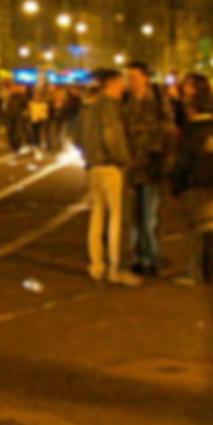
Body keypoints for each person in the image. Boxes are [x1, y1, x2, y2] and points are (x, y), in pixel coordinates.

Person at [77, 70, 138, 286]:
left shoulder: (88, 106)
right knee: (116, 219)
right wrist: (124, 159)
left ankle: (96, 265)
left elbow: (77, 136)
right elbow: (112, 135)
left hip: (93, 166)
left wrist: (88, 155)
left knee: (96, 216)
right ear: (111, 84)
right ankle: (115, 267)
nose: (123, 87)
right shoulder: (109, 106)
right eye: (121, 83)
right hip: (111, 166)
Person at [173, 73, 213, 285]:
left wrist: (177, 186)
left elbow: (184, 161)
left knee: (194, 231)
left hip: (195, 184)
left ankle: (193, 272)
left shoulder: (192, 131)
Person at [122, 62, 174, 276]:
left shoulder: (160, 100)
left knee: (150, 216)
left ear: (145, 77)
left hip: (153, 166)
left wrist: (166, 159)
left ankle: (151, 257)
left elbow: (169, 131)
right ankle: (136, 257)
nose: (131, 81)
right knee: (133, 217)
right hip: (132, 167)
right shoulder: (125, 101)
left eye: (134, 76)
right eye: (128, 77)